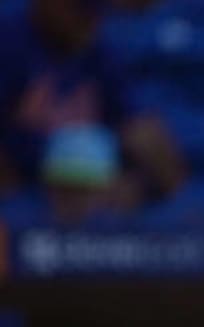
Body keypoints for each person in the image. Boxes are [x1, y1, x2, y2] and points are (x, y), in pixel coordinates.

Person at [0, 0, 185, 222]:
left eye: (95, 13)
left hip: (89, 191)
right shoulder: (9, 43)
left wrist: (136, 186)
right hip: (23, 195)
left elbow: (148, 140)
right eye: (82, 11)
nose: (91, 23)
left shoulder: (99, 53)